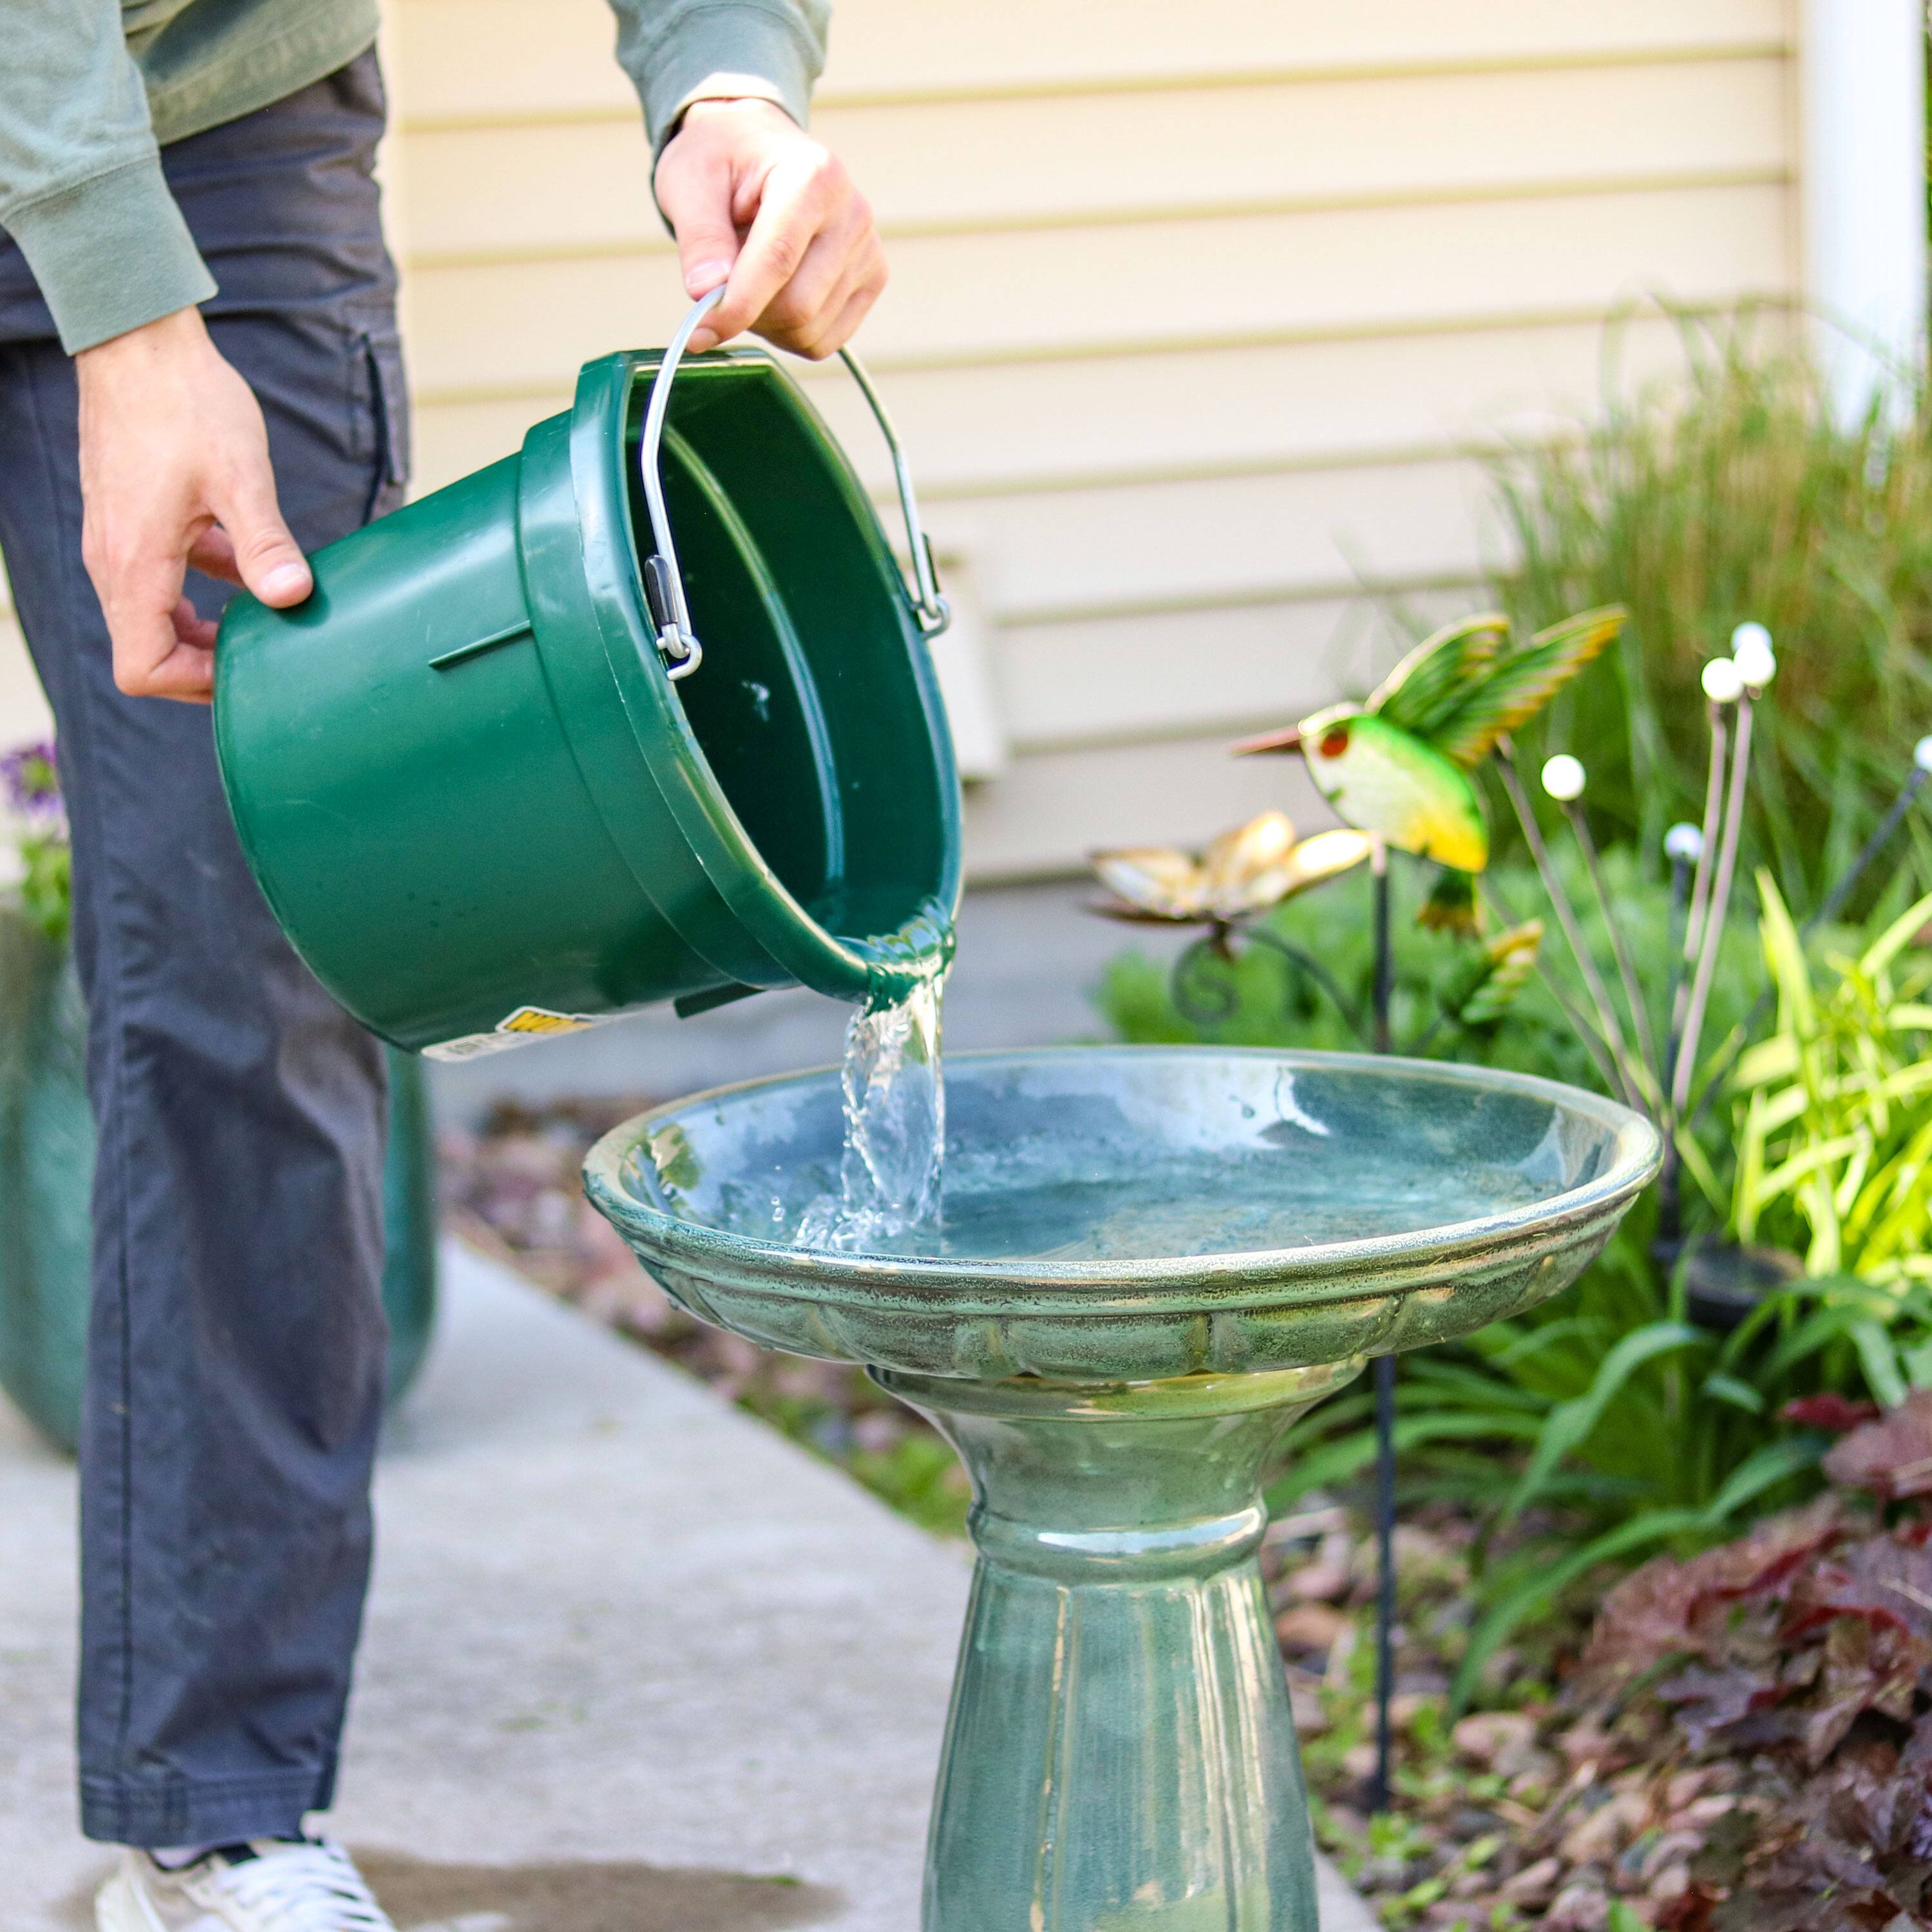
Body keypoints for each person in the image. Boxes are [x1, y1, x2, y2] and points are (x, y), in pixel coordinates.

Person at [0, 4, 886, 1926]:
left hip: (211, 109)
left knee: (267, 939)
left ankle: (222, 1798)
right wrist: (122, 311)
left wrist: (724, 74)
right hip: (93, 143)